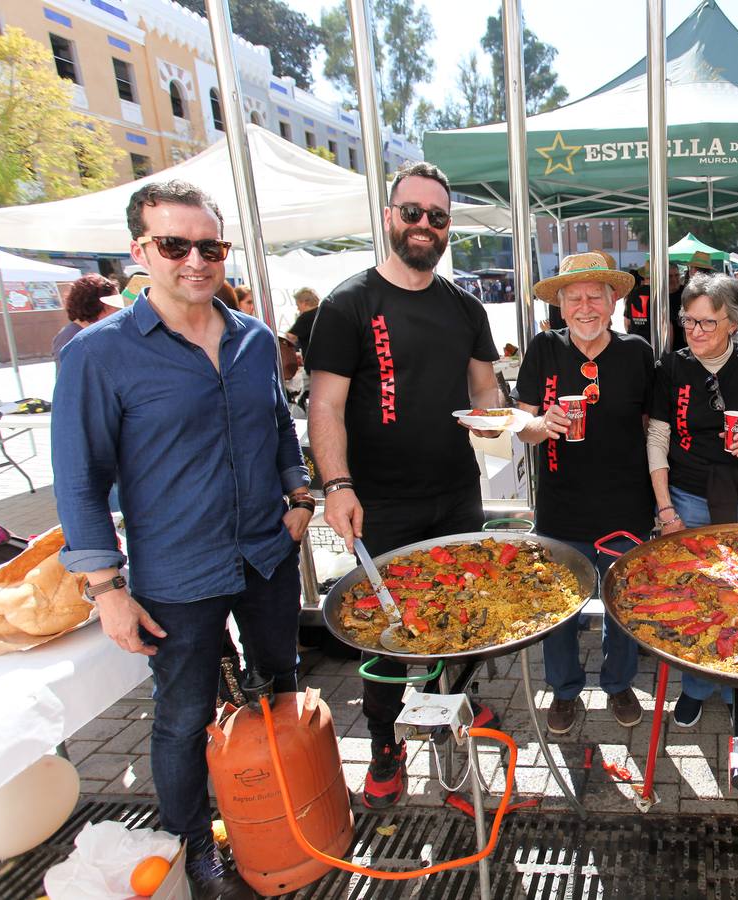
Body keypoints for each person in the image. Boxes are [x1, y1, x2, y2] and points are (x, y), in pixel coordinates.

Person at [53, 180, 310, 899]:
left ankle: (290, 800)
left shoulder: (254, 339)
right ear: (140, 252)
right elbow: (78, 479)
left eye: (210, 246)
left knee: (281, 682)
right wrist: (106, 588)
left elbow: (277, 425)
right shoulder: (98, 355)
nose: (195, 260)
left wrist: (300, 494)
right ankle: (194, 845)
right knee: (183, 716)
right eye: (175, 245)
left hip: (266, 552)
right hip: (177, 570)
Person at [306, 162, 502, 809]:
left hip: (456, 494)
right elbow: (325, 405)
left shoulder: (466, 308)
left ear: (448, 228)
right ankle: (384, 742)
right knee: (385, 631)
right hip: (379, 503)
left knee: (462, 617)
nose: (424, 225)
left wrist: (503, 418)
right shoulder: (347, 304)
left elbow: (485, 390)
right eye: (412, 212)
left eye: (436, 217)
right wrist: (336, 484)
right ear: (390, 217)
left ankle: (452, 714)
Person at [513, 251, 655, 735]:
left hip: (626, 506)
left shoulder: (637, 352)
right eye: (574, 297)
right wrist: (542, 424)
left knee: (623, 602)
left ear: (614, 301)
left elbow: (650, 427)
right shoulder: (543, 348)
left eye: (596, 295)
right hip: (562, 507)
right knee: (559, 605)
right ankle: (564, 689)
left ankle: (618, 683)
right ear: (560, 305)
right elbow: (521, 425)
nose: (585, 306)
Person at [648, 272, 738, 733]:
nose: (695, 331)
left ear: (733, 324)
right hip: (690, 496)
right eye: (688, 321)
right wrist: (666, 509)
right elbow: (657, 438)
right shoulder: (671, 367)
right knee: (695, 598)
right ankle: (696, 685)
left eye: (707, 322)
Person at [52, 274, 124, 366]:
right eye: (114, 304)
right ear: (99, 305)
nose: (119, 309)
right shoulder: (72, 339)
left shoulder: (94, 331)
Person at [285, 286, 321, 351]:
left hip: (311, 354)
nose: (298, 308)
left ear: (304, 303)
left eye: (297, 305)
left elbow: (290, 336)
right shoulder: (322, 313)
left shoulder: (305, 317)